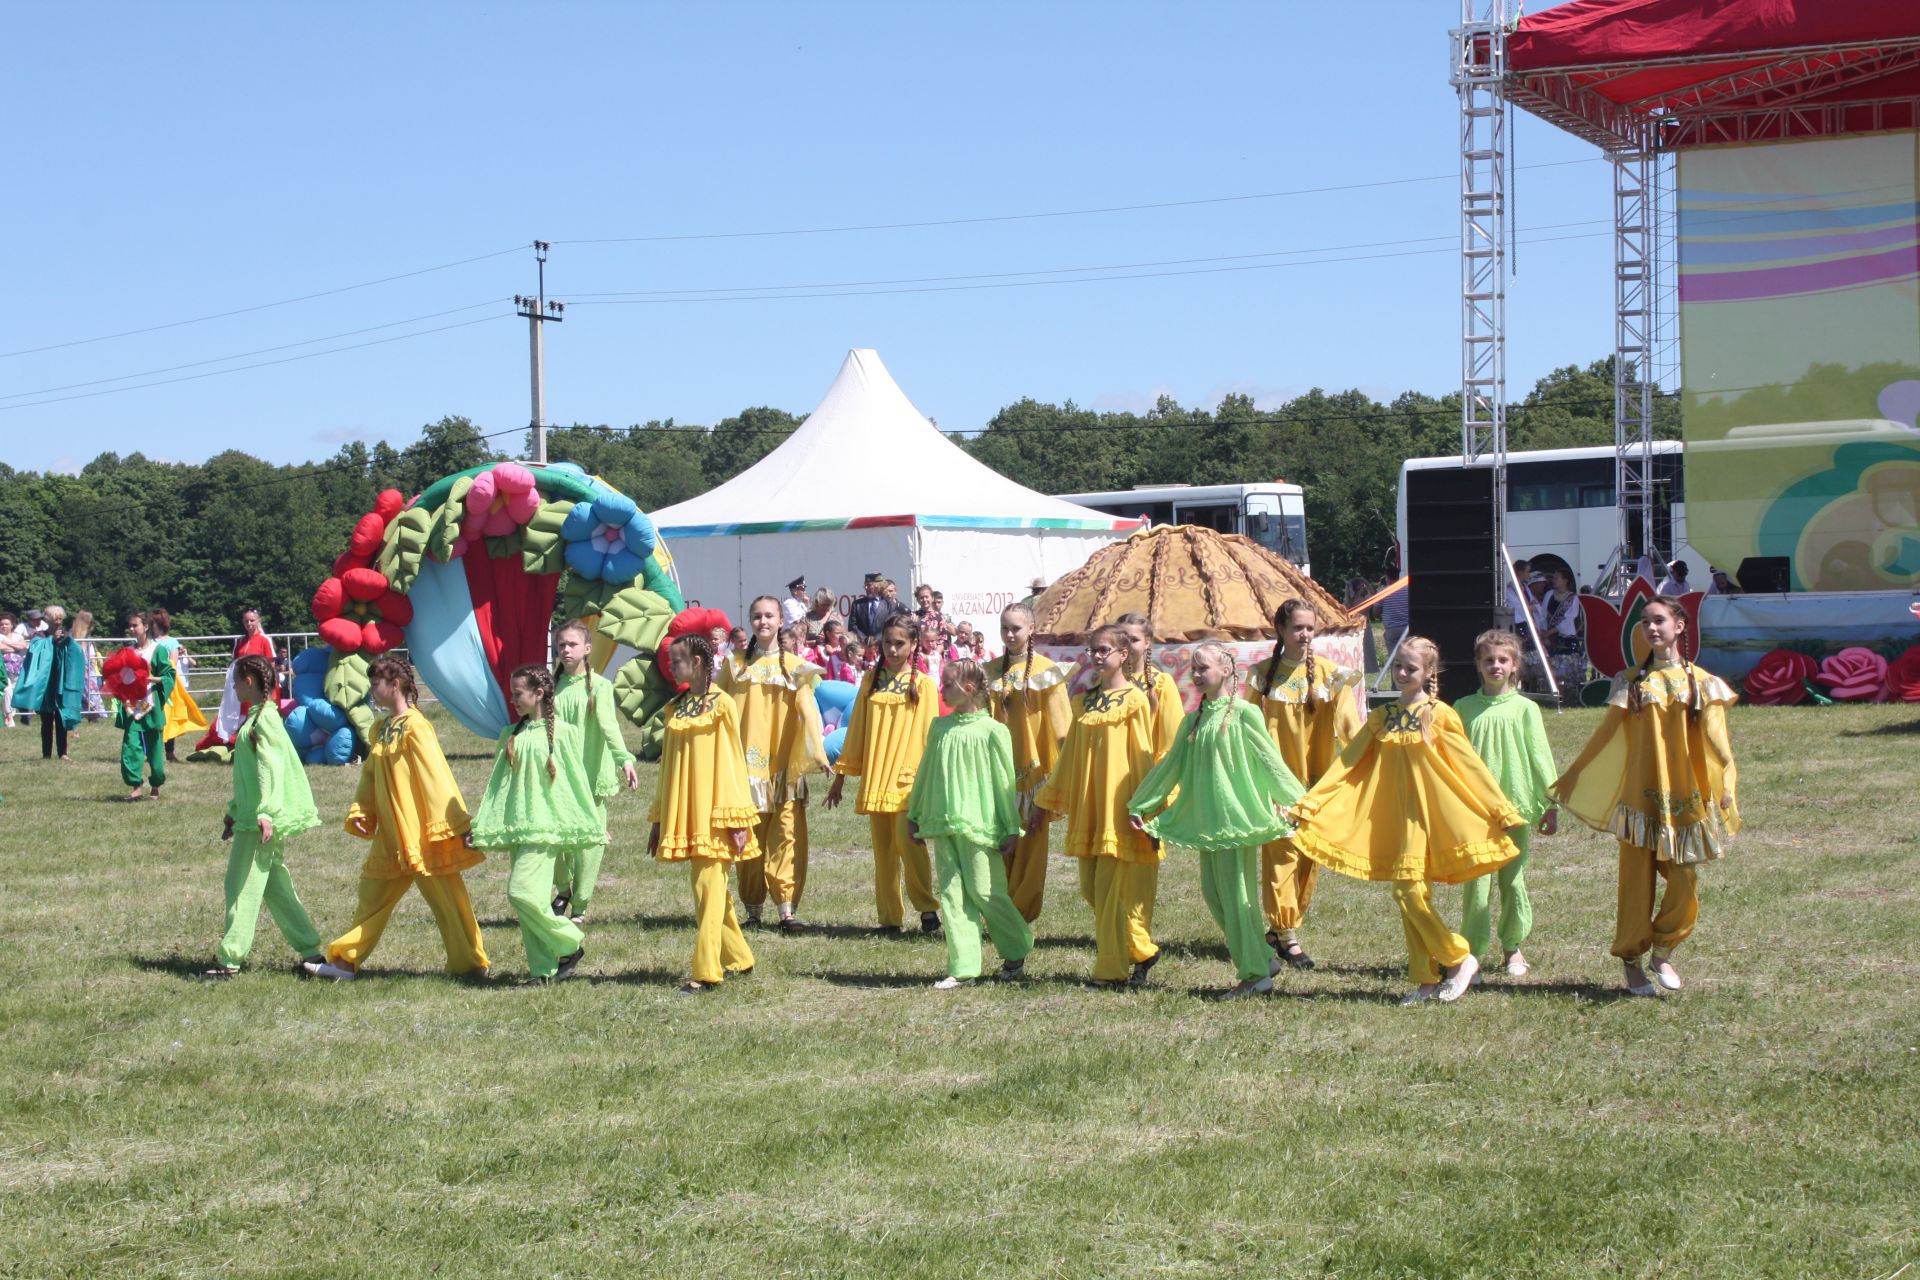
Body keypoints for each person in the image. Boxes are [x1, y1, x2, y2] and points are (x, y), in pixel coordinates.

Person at [1289, 637, 1523, 1005]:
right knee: (1407, 896)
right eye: (1398, 666)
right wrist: (1311, 802)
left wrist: (1500, 808)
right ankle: (1425, 979)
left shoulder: (1440, 715)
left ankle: (1458, 957)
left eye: (1410, 668)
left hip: (1429, 818)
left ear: (1429, 672)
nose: (1400, 673)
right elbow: (1347, 763)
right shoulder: (1382, 718)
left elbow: (1470, 766)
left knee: (1406, 891)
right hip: (1395, 818)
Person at [1551, 596, 1739, 997]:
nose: (1651, 628)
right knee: (1635, 885)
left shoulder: (1701, 682)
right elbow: (1606, 735)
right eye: (1645, 623)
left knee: (1685, 877)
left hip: (1685, 794)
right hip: (1640, 797)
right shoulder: (1632, 681)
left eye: (1659, 621)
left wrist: (1726, 785)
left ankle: (1664, 948)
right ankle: (1632, 963)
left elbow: (1717, 739)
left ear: (1680, 626)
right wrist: (1574, 776)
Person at [1129, 642, 1304, 999]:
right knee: (1215, 895)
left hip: (1236, 819)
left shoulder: (1243, 713)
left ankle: (1255, 974)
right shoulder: (1193, 719)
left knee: (1238, 896)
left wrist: (1298, 802)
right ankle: (1264, 957)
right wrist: (1142, 803)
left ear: (1225, 671)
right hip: (1207, 821)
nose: (1196, 675)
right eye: (1193, 669)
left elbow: (1270, 761)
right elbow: (1171, 766)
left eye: (1203, 668)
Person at [306, 655, 490, 981]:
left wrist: (455, 825)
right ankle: (346, 962)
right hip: (391, 835)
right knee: (371, 897)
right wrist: (363, 810)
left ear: (395, 685)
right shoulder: (382, 729)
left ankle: (470, 965)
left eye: (376, 683)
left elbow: (436, 777)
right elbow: (371, 776)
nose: (372, 689)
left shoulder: (417, 728)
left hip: (422, 835)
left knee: (449, 901)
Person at [1036, 623, 1164, 990]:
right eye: (1094, 649)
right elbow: (1070, 754)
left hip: (1118, 805)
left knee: (1108, 892)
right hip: (1090, 805)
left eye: (1105, 650)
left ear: (1124, 655)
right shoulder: (1083, 701)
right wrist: (1051, 799)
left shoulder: (1135, 700)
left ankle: (1110, 971)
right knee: (1092, 890)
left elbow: (1142, 753)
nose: (1097, 656)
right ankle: (1141, 949)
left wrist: (1143, 805)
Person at [1242, 598, 1364, 969]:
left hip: (1317, 781)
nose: (1305, 635)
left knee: (1309, 858)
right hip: (1276, 780)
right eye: (1298, 628)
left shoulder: (1330, 675)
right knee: (1282, 856)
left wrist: (1367, 757)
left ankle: (1281, 930)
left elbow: (1349, 725)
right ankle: (1287, 935)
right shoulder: (1262, 675)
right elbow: (1244, 723)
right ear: (1281, 630)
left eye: (1310, 628)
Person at [907, 659, 1036, 989]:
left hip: (980, 824)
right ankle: (963, 967)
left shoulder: (993, 731)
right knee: (952, 894)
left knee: (985, 890)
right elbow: (925, 775)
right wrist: (915, 814)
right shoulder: (939, 728)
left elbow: (1004, 783)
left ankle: (1016, 946)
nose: (942, 690)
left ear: (966, 689)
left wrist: (1010, 827)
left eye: (947, 684)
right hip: (944, 821)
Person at [649, 633, 759, 995]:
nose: (670, 665)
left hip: (717, 812)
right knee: (708, 892)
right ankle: (739, 956)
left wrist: (736, 819)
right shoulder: (676, 707)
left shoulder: (723, 704)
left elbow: (732, 762)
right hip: (686, 812)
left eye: (676, 660)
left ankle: (707, 971)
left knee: (707, 889)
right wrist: (659, 818)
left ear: (697, 662)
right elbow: (669, 770)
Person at [471, 665, 596, 983]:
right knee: (535, 902)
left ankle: (570, 942)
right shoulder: (510, 734)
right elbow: (497, 785)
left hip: (545, 826)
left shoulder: (564, 733)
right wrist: (485, 824)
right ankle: (543, 970)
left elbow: (574, 781)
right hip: (520, 825)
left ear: (538, 694)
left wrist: (587, 820)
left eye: (518, 693)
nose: (512, 699)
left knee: (520, 893)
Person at [203, 654, 325, 980]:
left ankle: (230, 960)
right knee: (277, 889)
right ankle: (311, 951)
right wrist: (233, 812)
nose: (231, 685)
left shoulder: (264, 721)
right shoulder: (257, 718)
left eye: (235, 679)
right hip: (250, 818)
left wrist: (266, 813)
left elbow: (271, 769)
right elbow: (249, 776)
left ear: (249, 681)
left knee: (240, 885)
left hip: (259, 822)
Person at [825, 614, 942, 936]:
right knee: (884, 851)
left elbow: (927, 734)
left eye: (900, 643)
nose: (892, 649)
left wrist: (924, 779)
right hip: (877, 777)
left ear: (914, 644)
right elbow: (857, 731)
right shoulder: (869, 681)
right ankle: (889, 919)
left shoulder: (923, 685)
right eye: (888, 642)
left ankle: (928, 911)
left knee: (910, 844)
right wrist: (840, 777)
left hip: (907, 780)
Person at [719, 596, 829, 932]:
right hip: (745, 766)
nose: (762, 621)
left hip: (783, 765)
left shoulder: (797, 667)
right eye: (756, 616)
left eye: (769, 616)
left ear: (781, 620)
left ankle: (786, 910)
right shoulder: (734, 664)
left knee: (785, 834)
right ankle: (752, 909)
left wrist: (819, 753)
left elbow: (809, 711)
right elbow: (717, 704)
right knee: (748, 836)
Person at [1454, 631, 1558, 980]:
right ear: (1478, 665)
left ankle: (1513, 946)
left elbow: (1540, 756)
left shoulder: (1526, 709)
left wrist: (1550, 803)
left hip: (1515, 808)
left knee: (1512, 882)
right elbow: (1450, 759)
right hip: (1475, 812)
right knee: (1477, 885)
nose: (1495, 666)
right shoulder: (1464, 708)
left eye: (1502, 660)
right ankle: (1471, 953)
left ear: (1514, 665)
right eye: (1488, 660)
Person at [549, 621, 640, 927]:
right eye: (561, 645)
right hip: (558, 775)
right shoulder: (550, 687)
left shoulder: (599, 686)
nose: (566, 649)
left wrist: (624, 759)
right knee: (557, 837)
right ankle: (563, 888)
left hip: (589, 773)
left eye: (572, 644)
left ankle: (580, 904)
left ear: (587, 649)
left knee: (589, 841)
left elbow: (608, 725)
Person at [986, 602, 1072, 923]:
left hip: (1035, 775)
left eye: (1016, 628)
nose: (1009, 634)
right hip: (998, 773)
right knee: (999, 848)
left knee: (1031, 852)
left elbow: (1060, 727)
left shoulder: (1046, 672)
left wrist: (1058, 780)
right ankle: (1000, 914)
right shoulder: (991, 672)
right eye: (1005, 628)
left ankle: (1020, 916)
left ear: (1031, 629)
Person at [115, 610, 175, 801]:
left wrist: (149, 678)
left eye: (135, 625)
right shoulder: (128, 652)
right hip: (134, 705)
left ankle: (156, 784)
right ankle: (135, 786)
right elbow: (121, 678)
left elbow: (168, 676)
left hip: (149, 702)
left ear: (146, 627)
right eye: (130, 626)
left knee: (155, 747)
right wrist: (124, 699)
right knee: (131, 745)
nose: (132, 629)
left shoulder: (158, 650)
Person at [15, 608, 84, 761]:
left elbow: (74, 651)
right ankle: (46, 754)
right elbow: (35, 647)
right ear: (48, 620)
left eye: (60, 619)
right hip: (46, 684)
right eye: (54, 619)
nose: (57, 622)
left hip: (61, 681)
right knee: (46, 720)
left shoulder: (66, 634)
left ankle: (63, 753)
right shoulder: (41, 635)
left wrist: (65, 640)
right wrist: (51, 639)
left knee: (61, 718)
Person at [1115, 612, 1183, 760]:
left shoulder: (1161, 683)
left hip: (1147, 770)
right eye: (1121, 639)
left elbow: (1171, 742)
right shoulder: (1106, 682)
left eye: (1133, 640)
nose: (1126, 646)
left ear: (1147, 642)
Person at [150, 608, 207, 759]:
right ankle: (150, 751)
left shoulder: (171, 642)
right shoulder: (149, 642)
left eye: (153, 622)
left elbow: (172, 665)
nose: (150, 625)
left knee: (168, 717)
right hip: (149, 685)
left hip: (167, 686)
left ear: (160, 624)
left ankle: (169, 752)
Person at [1539, 566, 1586, 698]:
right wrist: (1544, 632)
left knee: (1567, 666)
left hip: (1565, 637)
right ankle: (1555, 693)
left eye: (1556, 578)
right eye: (1553, 578)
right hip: (1550, 637)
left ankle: (1569, 695)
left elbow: (1568, 620)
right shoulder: (1549, 595)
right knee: (1553, 666)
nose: (1553, 580)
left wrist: (1550, 632)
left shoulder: (1573, 598)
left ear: (1565, 581)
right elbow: (1543, 615)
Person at [71, 610, 106, 721]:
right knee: (82, 692)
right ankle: (86, 714)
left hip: (90, 668)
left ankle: (94, 715)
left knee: (92, 692)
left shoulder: (87, 637)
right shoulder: (74, 637)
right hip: (79, 668)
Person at [0, 613, 29, 727]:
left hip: (18, 670)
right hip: (3, 670)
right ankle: (9, 717)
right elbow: (1, 647)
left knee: (13, 693)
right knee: (7, 690)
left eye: (6, 624)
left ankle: (9, 716)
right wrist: (14, 647)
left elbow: (23, 646)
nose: (4, 626)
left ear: (12, 625)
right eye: (1, 624)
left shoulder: (18, 636)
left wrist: (7, 643)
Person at [847, 573, 893, 645]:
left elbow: (891, 626)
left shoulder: (888, 605)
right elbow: (852, 626)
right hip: (863, 648)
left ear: (878, 586)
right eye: (865, 585)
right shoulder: (857, 604)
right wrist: (865, 639)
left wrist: (876, 639)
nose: (865, 588)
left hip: (882, 647)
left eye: (869, 585)